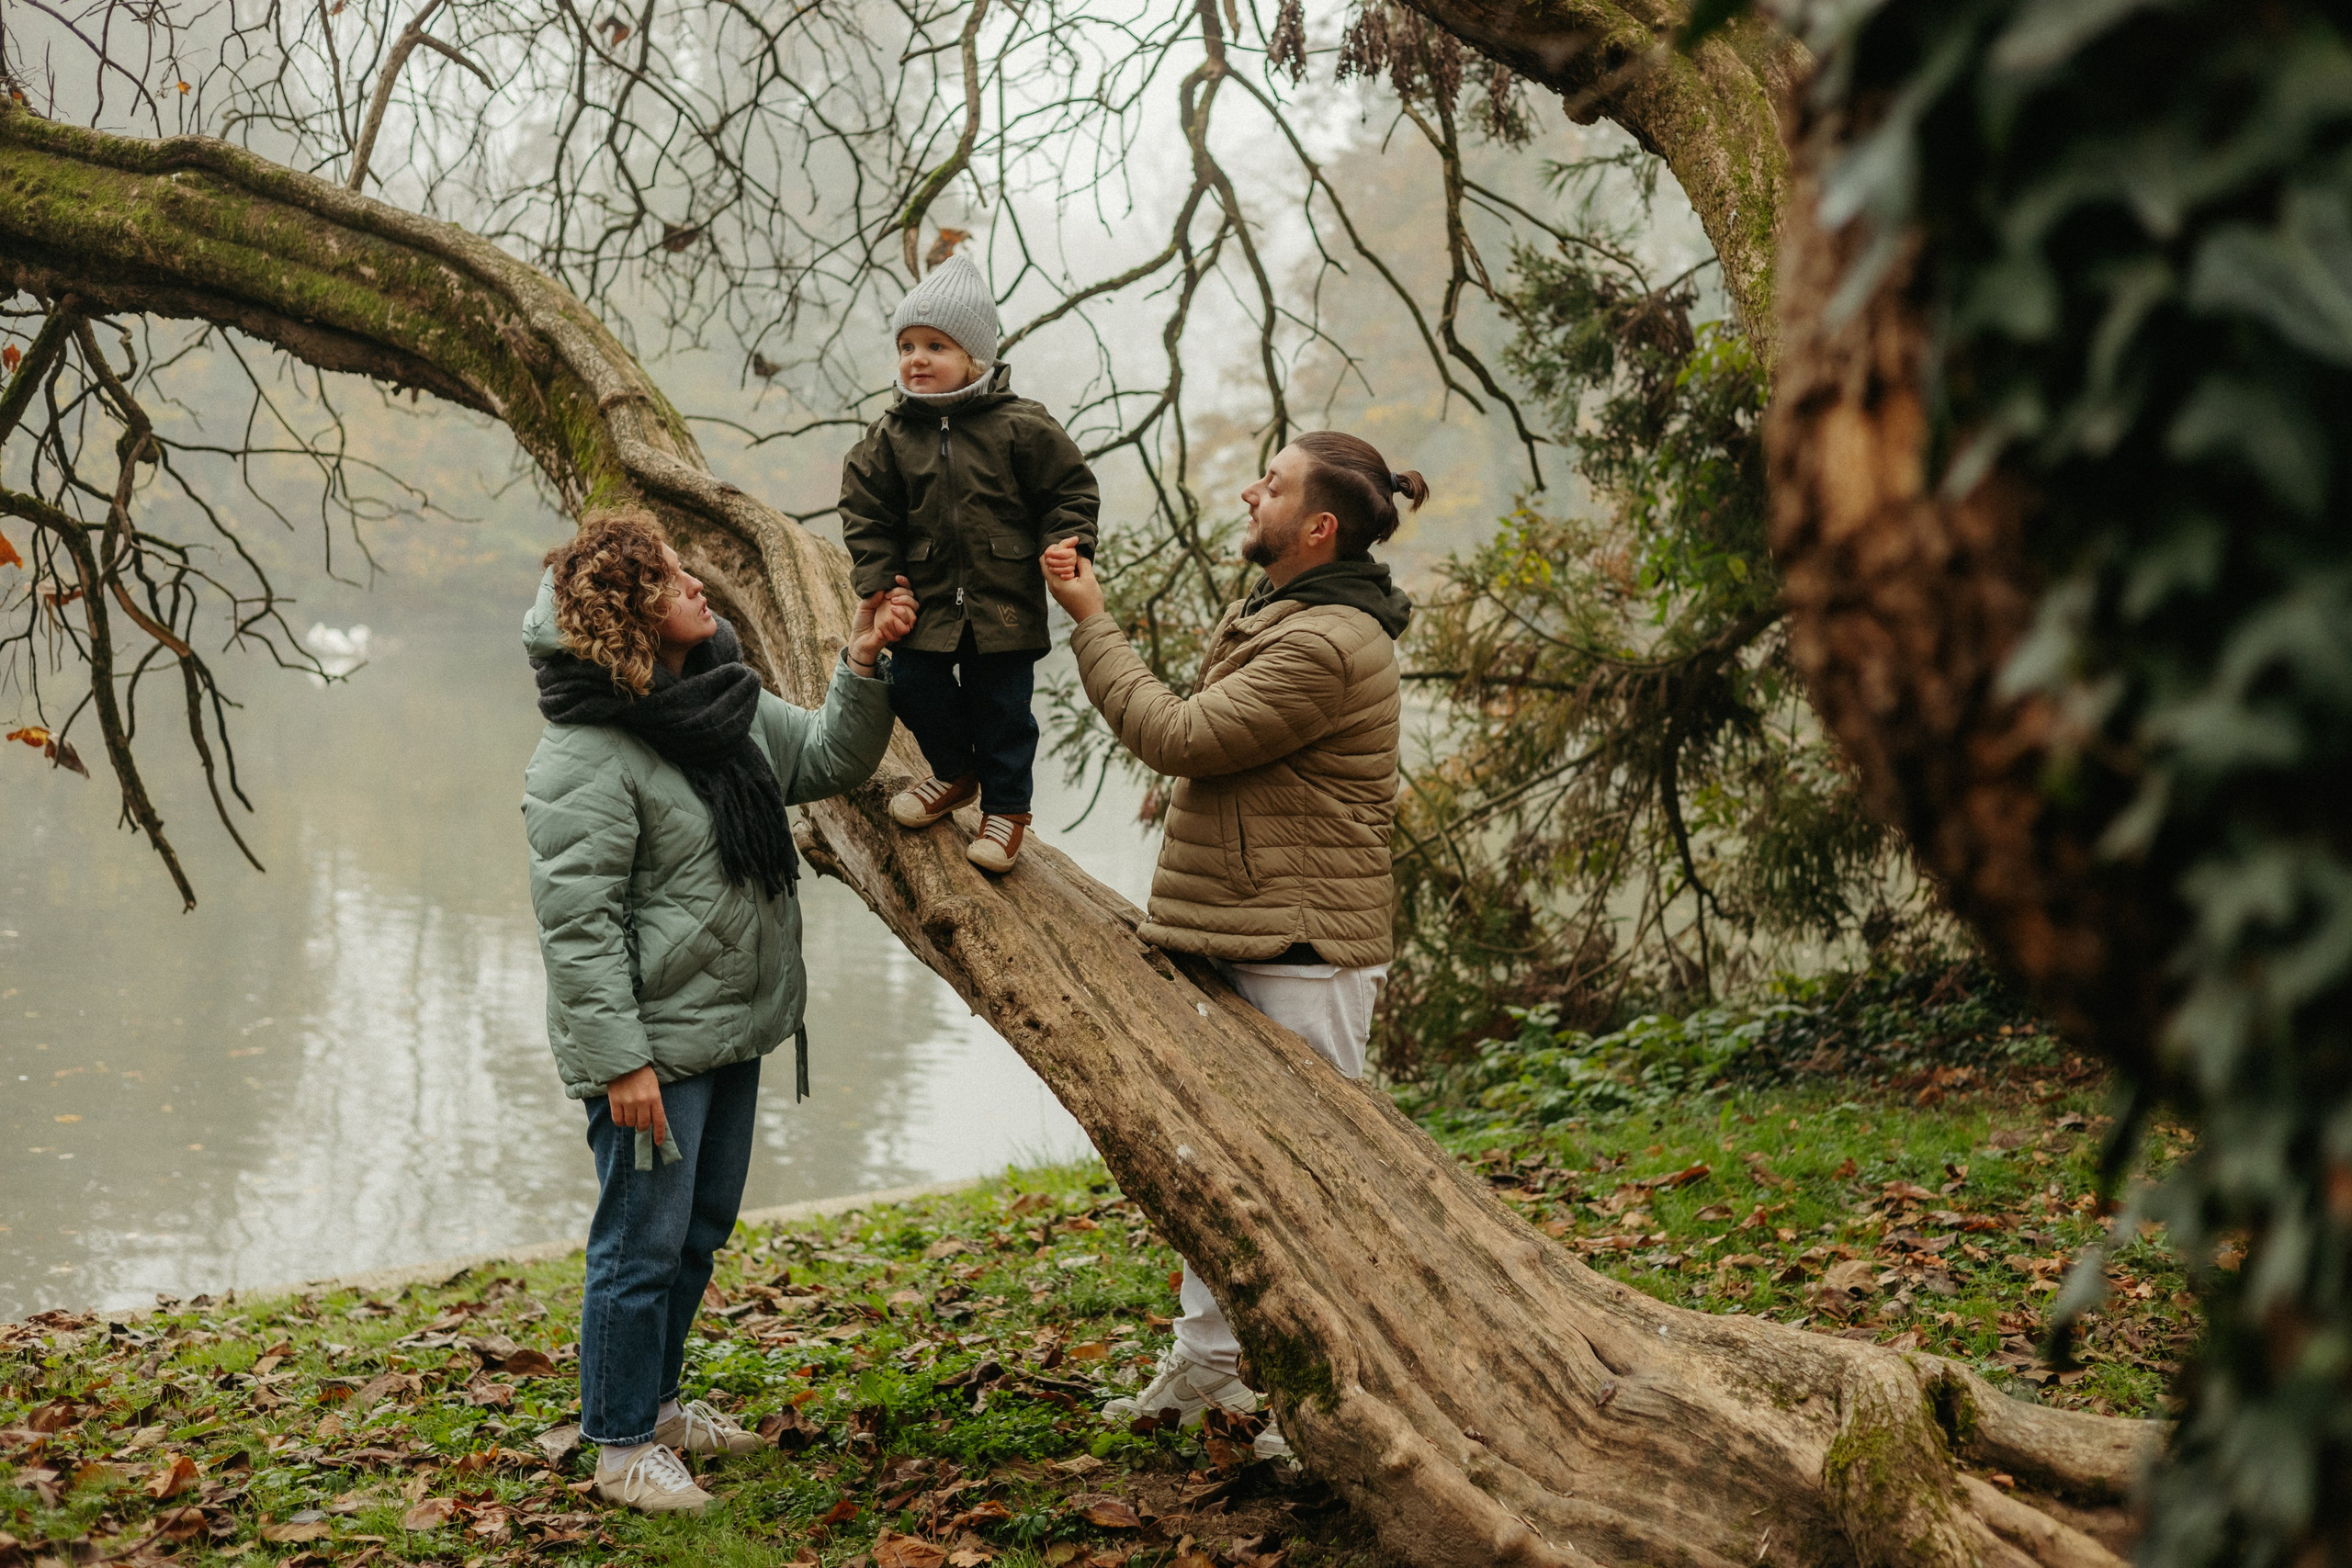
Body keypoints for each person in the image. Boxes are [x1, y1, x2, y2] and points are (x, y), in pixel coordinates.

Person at [521, 510, 915, 1513]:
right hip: (651, 1051)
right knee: (637, 1246)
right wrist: (621, 1063)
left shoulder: (716, 705)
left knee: (695, 1234)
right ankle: (616, 1449)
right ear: (630, 618)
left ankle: (652, 1409)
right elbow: (579, 930)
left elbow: (826, 759)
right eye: (666, 579)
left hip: (727, 1026)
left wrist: (861, 663)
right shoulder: (584, 753)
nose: (695, 583)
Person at [1041, 431, 1421, 1464]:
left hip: (1302, 947)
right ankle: (1208, 1360)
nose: (1252, 490)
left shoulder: (1326, 642)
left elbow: (1182, 736)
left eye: (1276, 482)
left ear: (1319, 525)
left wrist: (1093, 624)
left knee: (1307, 1187)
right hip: (1245, 924)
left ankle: (1336, 1404)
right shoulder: (1284, 612)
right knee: (1220, 1167)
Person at [839, 252, 1100, 873]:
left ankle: (1008, 809)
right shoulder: (891, 435)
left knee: (1003, 707)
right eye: (906, 345)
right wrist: (878, 579)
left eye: (935, 344)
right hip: (923, 597)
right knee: (913, 683)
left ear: (975, 358)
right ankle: (956, 773)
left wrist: (1068, 540)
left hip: (1002, 598)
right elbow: (866, 509)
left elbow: (1069, 491)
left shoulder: (1021, 425)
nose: (916, 358)